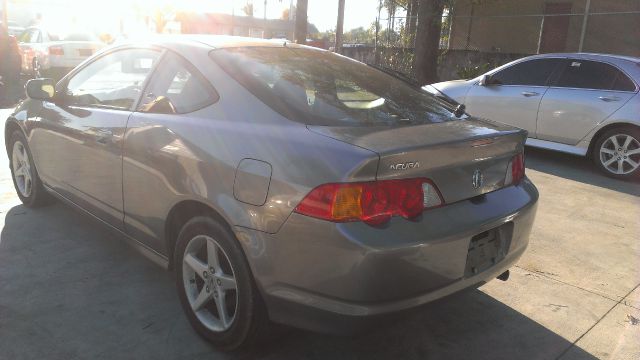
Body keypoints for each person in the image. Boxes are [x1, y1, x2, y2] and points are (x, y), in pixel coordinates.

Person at [0, 26, 22, 107]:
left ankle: (9, 101)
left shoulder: (10, 40)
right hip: (10, 65)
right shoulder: (10, 39)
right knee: (12, 83)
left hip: (9, 65)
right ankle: (11, 101)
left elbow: (16, 54)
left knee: (11, 83)